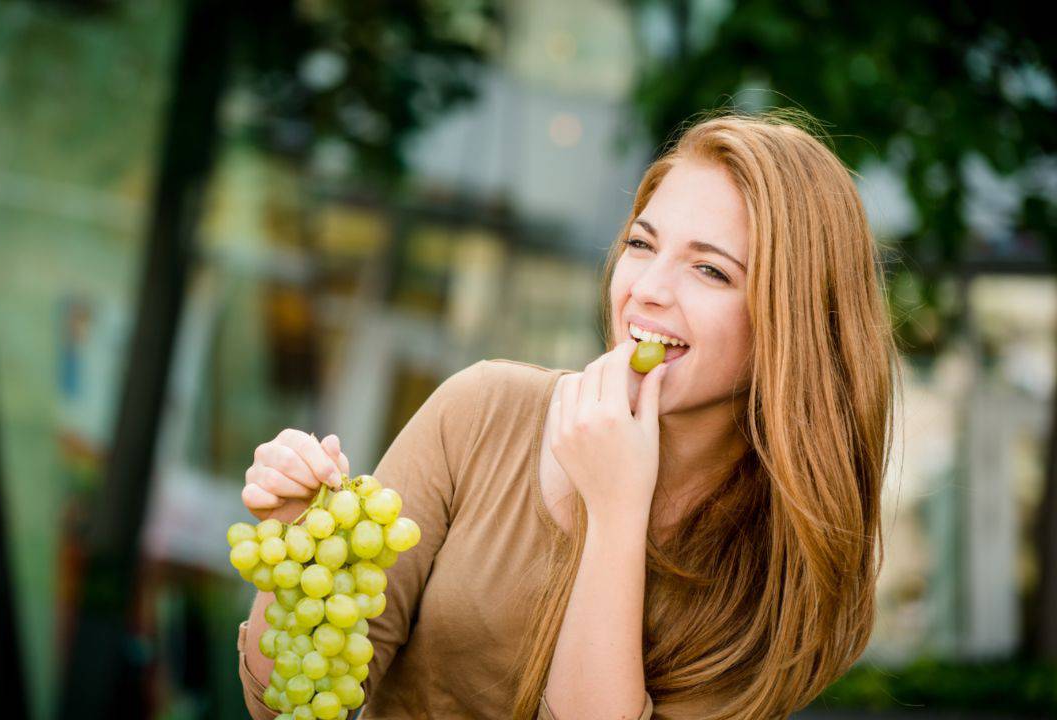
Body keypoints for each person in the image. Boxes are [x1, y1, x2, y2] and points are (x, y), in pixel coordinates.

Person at [235, 108, 899, 719]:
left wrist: (615, 510)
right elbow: (292, 702)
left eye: (711, 271)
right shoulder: (483, 411)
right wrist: (295, 557)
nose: (647, 290)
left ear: (792, 324)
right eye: (642, 245)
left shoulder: (782, 567)